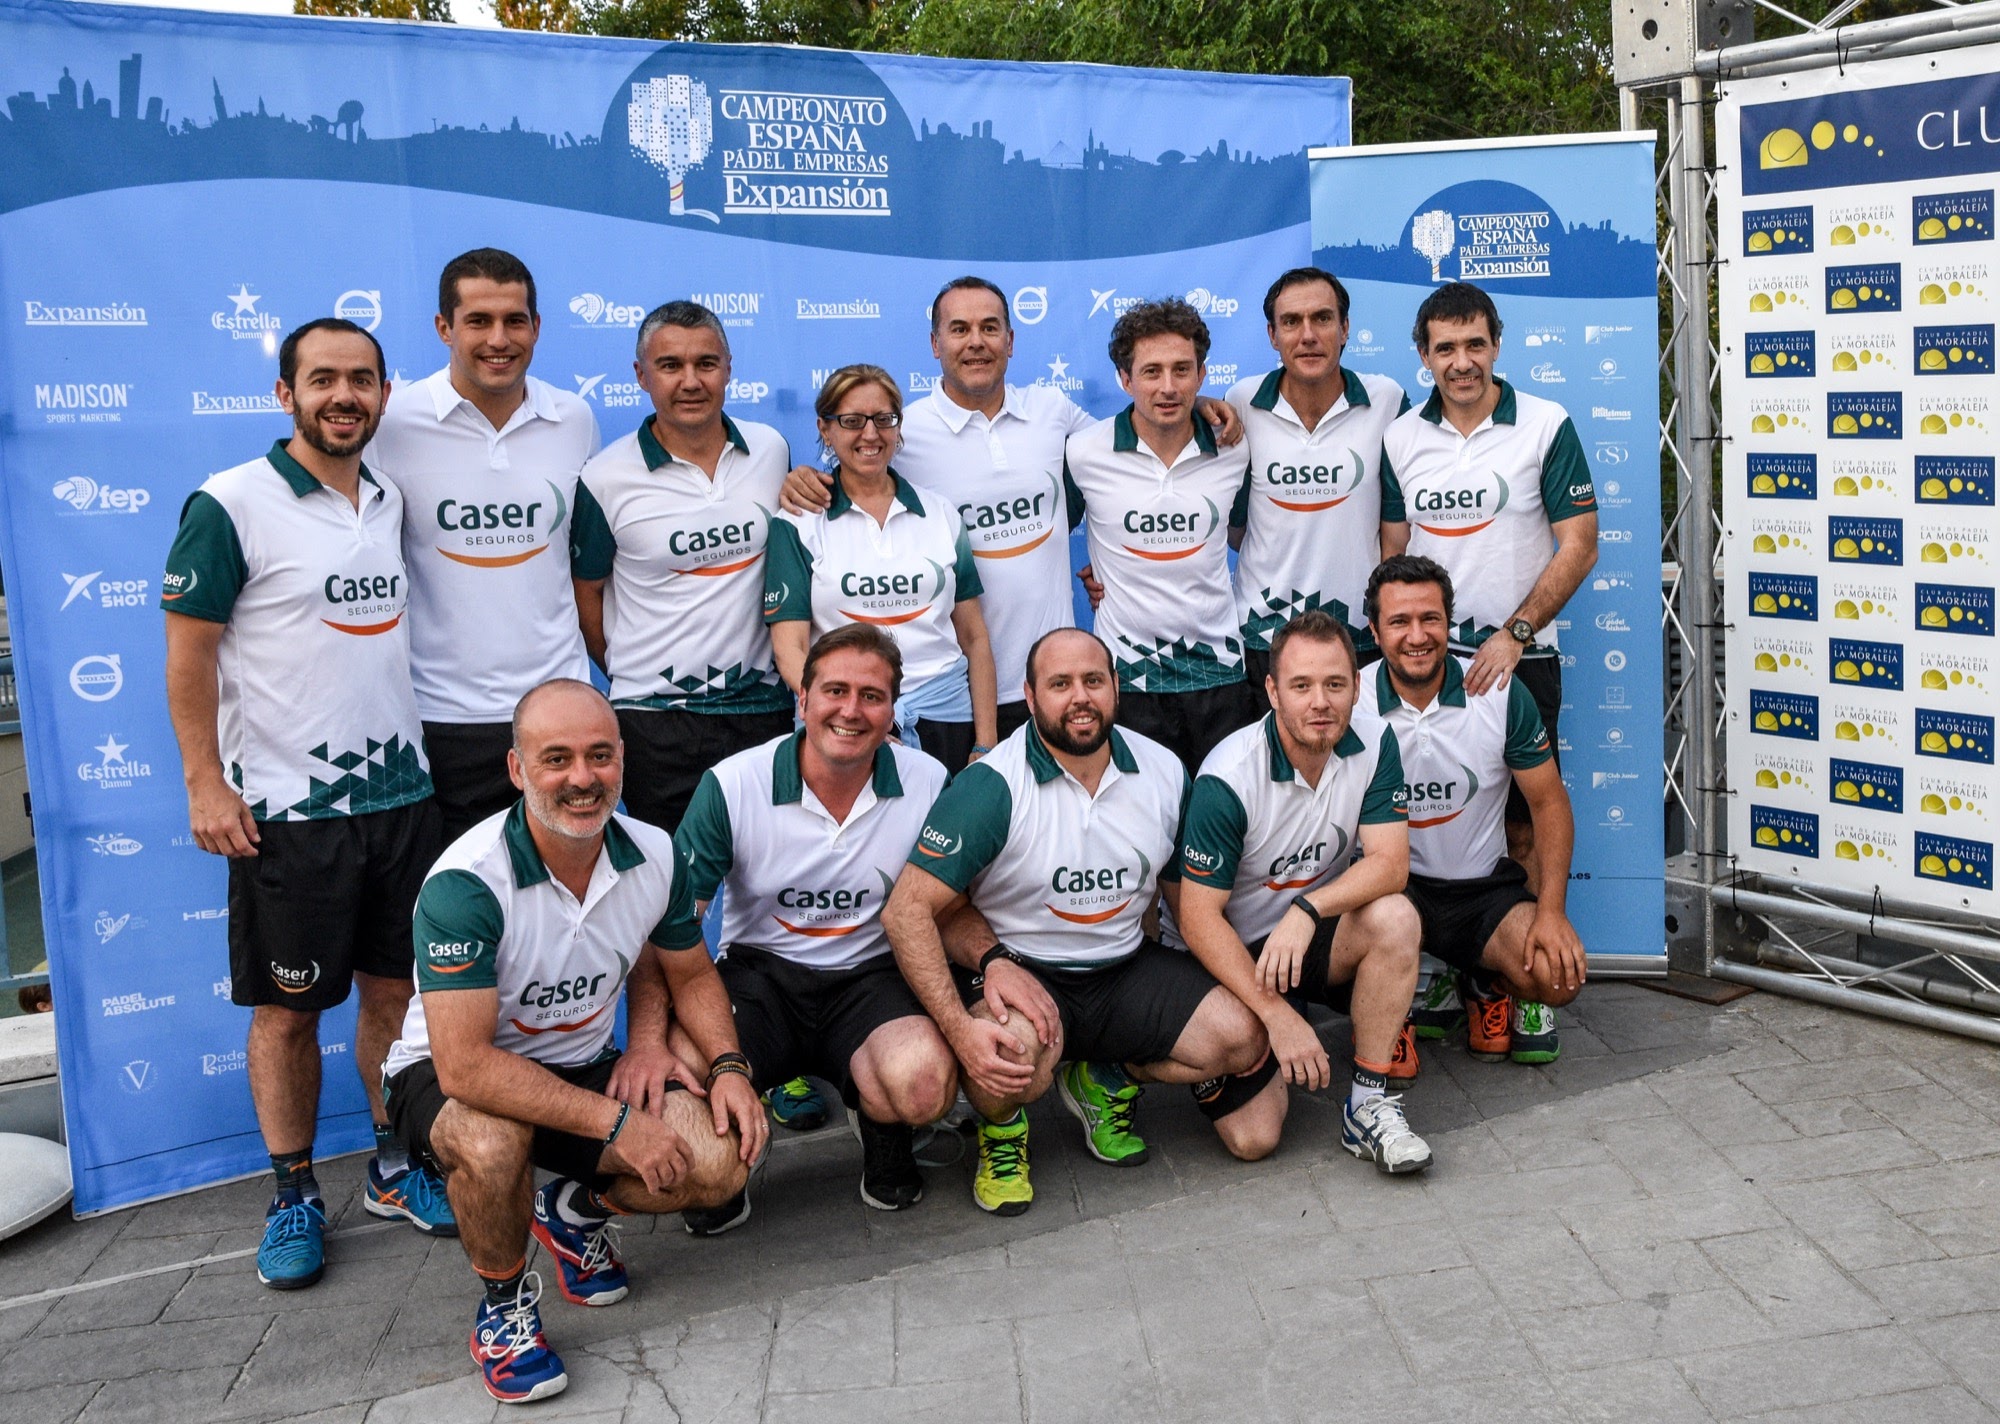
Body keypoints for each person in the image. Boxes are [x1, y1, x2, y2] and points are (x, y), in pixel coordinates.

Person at [163, 317, 452, 1291]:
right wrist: (206, 781)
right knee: (288, 1012)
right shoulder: (231, 501)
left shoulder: (386, 494)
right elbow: (189, 656)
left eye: (362, 379)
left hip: (402, 796)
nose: (345, 395)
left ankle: (394, 1163)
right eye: (323, 379)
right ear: (285, 392)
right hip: (290, 812)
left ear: (382, 391)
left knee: (393, 994)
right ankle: (291, 1192)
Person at [380, 679, 762, 1404]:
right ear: (517, 770)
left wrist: (727, 1066)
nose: (582, 779)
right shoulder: (467, 882)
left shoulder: (653, 852)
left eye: (599, 756)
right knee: (494, 1143)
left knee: (719, 1163)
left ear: (623, 759)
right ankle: (504, 1310)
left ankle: (574, 1212)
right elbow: (465, 1067)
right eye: (556, 759)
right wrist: (620, 1125)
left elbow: (689, 973)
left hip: (581, 1068)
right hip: (447, 1079)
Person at [882, 628, 1267, 1217]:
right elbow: (909, 910)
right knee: (998, 1059)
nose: (1079, 696)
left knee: (1241, 1035)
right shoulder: (993, 785)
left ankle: (1103, 1075)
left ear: (1116, 687)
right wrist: (963, 1021)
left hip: (1123, 967)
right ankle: (1004, 1135)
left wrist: (1268, 1008)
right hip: (1025, 973)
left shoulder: (1163, 769)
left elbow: (1186, 907)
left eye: (1093, 680)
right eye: (1060, 684)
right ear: (1031, 698)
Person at [777, 276, 1244, 741]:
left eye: (990, 327)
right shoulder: (904, 432)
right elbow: (857, 461)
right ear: (935, 344)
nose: (976, 342)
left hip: (1056, 683)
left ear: (1011, 340)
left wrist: (1194, 402)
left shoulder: (1052, 411)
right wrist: (801, 480)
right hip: (960, 694)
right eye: (959, 329)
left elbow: (1138, 446)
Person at [672, 625, 956, 1236]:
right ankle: (737, 1148)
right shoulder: (733, 783)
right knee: (683, 1078)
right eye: (834, 691)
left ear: (892, 710)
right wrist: (651, 1040)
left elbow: (955, 911)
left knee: (924, 1084)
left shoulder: (928, 780)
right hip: (761, 977)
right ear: (802, 700)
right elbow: (671, 931)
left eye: (872, 696)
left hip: (871, 979)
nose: (851, 710)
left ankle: (881, 1124)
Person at [1379, 282, 1596, 1035]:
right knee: (1423, 826)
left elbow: (1581, 542)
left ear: (1497, 345)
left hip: (1519, 656)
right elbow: (1393, 550)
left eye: (1475, 344)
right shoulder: (1402, 436)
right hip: (1426, 662)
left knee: (1523, 829)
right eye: (1445, 348)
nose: (1462, 362)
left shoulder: (1545, 423)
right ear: (1424, 355)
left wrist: (1519, 632)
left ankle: (1523, 981)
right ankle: (1443, 974)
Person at [1169, 610, 1431, 1173]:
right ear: (1272, 691)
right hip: (1230, 954)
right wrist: (1277, 1017)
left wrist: (1307, 909)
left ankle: (1368, 1104)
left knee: (1395, 917)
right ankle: (1127, 1065)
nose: (1321, 702)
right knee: (1254, 1139)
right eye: (1302, 686)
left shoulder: (1376, 740)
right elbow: (1197, 919)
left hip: (1302, 936)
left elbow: (1390, 865)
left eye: (1336, 684)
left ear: (1357, 686)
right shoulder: (1229, 776)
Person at [369, 248, 600, 842]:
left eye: (514, 320)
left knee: (569, 914)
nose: (499, 339)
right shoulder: (391, 423)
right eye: (478, 321)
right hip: (440, 719)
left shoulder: (573, 418)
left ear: (537, 327)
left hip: (559, 710)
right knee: (457, 916)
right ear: (444, 328)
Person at [570, 301, 794, 835]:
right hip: (654, 721)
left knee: (765, 885)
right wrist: (641, 670)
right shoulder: (605, 478)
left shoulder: (770, 449)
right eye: (670, 366)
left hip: (760, 710)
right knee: (670, 890)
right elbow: (587, 600)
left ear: (729, 368)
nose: (690, 381)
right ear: (641, 375)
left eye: (706, 364)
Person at [1355, 556, 1586, 1065]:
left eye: (1429, 619)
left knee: (1557, 975)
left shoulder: (1498, 689)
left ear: (1449, 623)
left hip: (1479, 891)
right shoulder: (1349, 699)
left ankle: (1482, 984)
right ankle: (1395, 1010)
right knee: (1378, 914)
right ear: (1373, 630)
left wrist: (1550, 913)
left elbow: (1549, 803)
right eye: (1399, 622)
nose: (1417, 636)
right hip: (1391, 891)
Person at [763, 364, 999, 771]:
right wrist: (851, 707)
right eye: (852, 421)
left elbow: (974, 637)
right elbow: (791, 649)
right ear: (825, 428)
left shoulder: (940, 513)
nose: (870, 434)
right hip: (843, 721)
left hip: (944, 718)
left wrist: (986, 743)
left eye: (883, 419)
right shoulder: (797, 522)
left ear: (898, 425)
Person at [1064, 298, 1261, 771]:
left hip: (1221, 674)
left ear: (1202, 374)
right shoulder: (1084, 453)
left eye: (1182, 370)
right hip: (1128, 682)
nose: (1168, 387)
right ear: (1125, 379)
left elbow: (1249, 537)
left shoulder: (1236, 448)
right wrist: (1089, 572)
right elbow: (1045, 540)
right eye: (1151, 372)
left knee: (1223, 826)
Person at [1229, 267, 1408, 685]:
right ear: (1273, 335)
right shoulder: (1241, 402)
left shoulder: (1387, 400)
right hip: (1263, 639)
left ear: (1345, 329)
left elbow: (1399, 530)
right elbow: (1233, 529)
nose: (1307, 335)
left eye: (1322, 319)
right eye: (1291, 322)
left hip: (1359, 636)